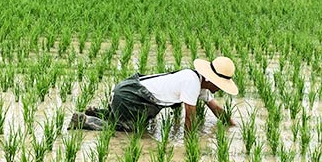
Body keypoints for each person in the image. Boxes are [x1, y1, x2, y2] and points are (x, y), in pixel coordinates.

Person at [69, 56, 238, 133]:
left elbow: (216, 108)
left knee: (125, 120)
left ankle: (98, 111)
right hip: (131, 97)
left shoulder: (198, 81)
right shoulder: (192, 83)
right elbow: (189, 119)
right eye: (219, 84)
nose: (220, 89)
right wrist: (189, 147)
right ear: (210, 79)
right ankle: (85, 120)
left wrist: (233, 126)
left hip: (126, 90)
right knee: (129, 130)